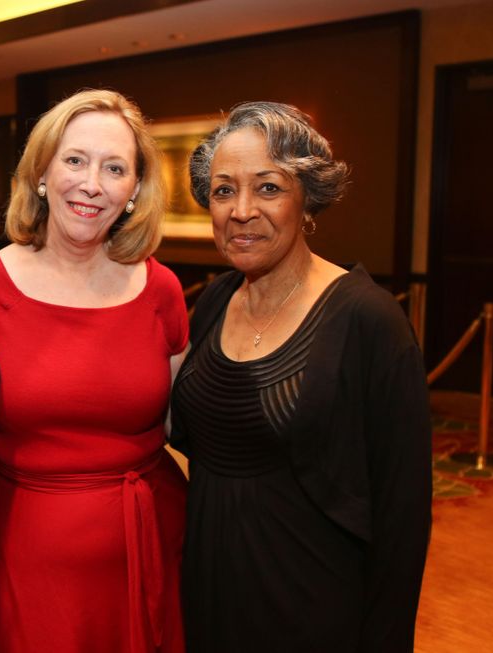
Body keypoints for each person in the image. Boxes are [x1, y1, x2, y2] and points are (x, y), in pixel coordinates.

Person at [170, 101, 431, 652]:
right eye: (223, 191)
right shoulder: (215, 300)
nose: (241, 211)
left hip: (309, 602)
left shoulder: (369, 320)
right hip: (209, 586)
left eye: (268, 188)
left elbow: (402, 517)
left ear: (306, 198)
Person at [0, 89, 188, 653]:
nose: (92, 184)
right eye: (75, 160)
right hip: (21, 557)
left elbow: (192, 424)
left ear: (134, 191)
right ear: (41, 172)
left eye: (115, 168)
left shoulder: (161, 290)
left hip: (148, 547)